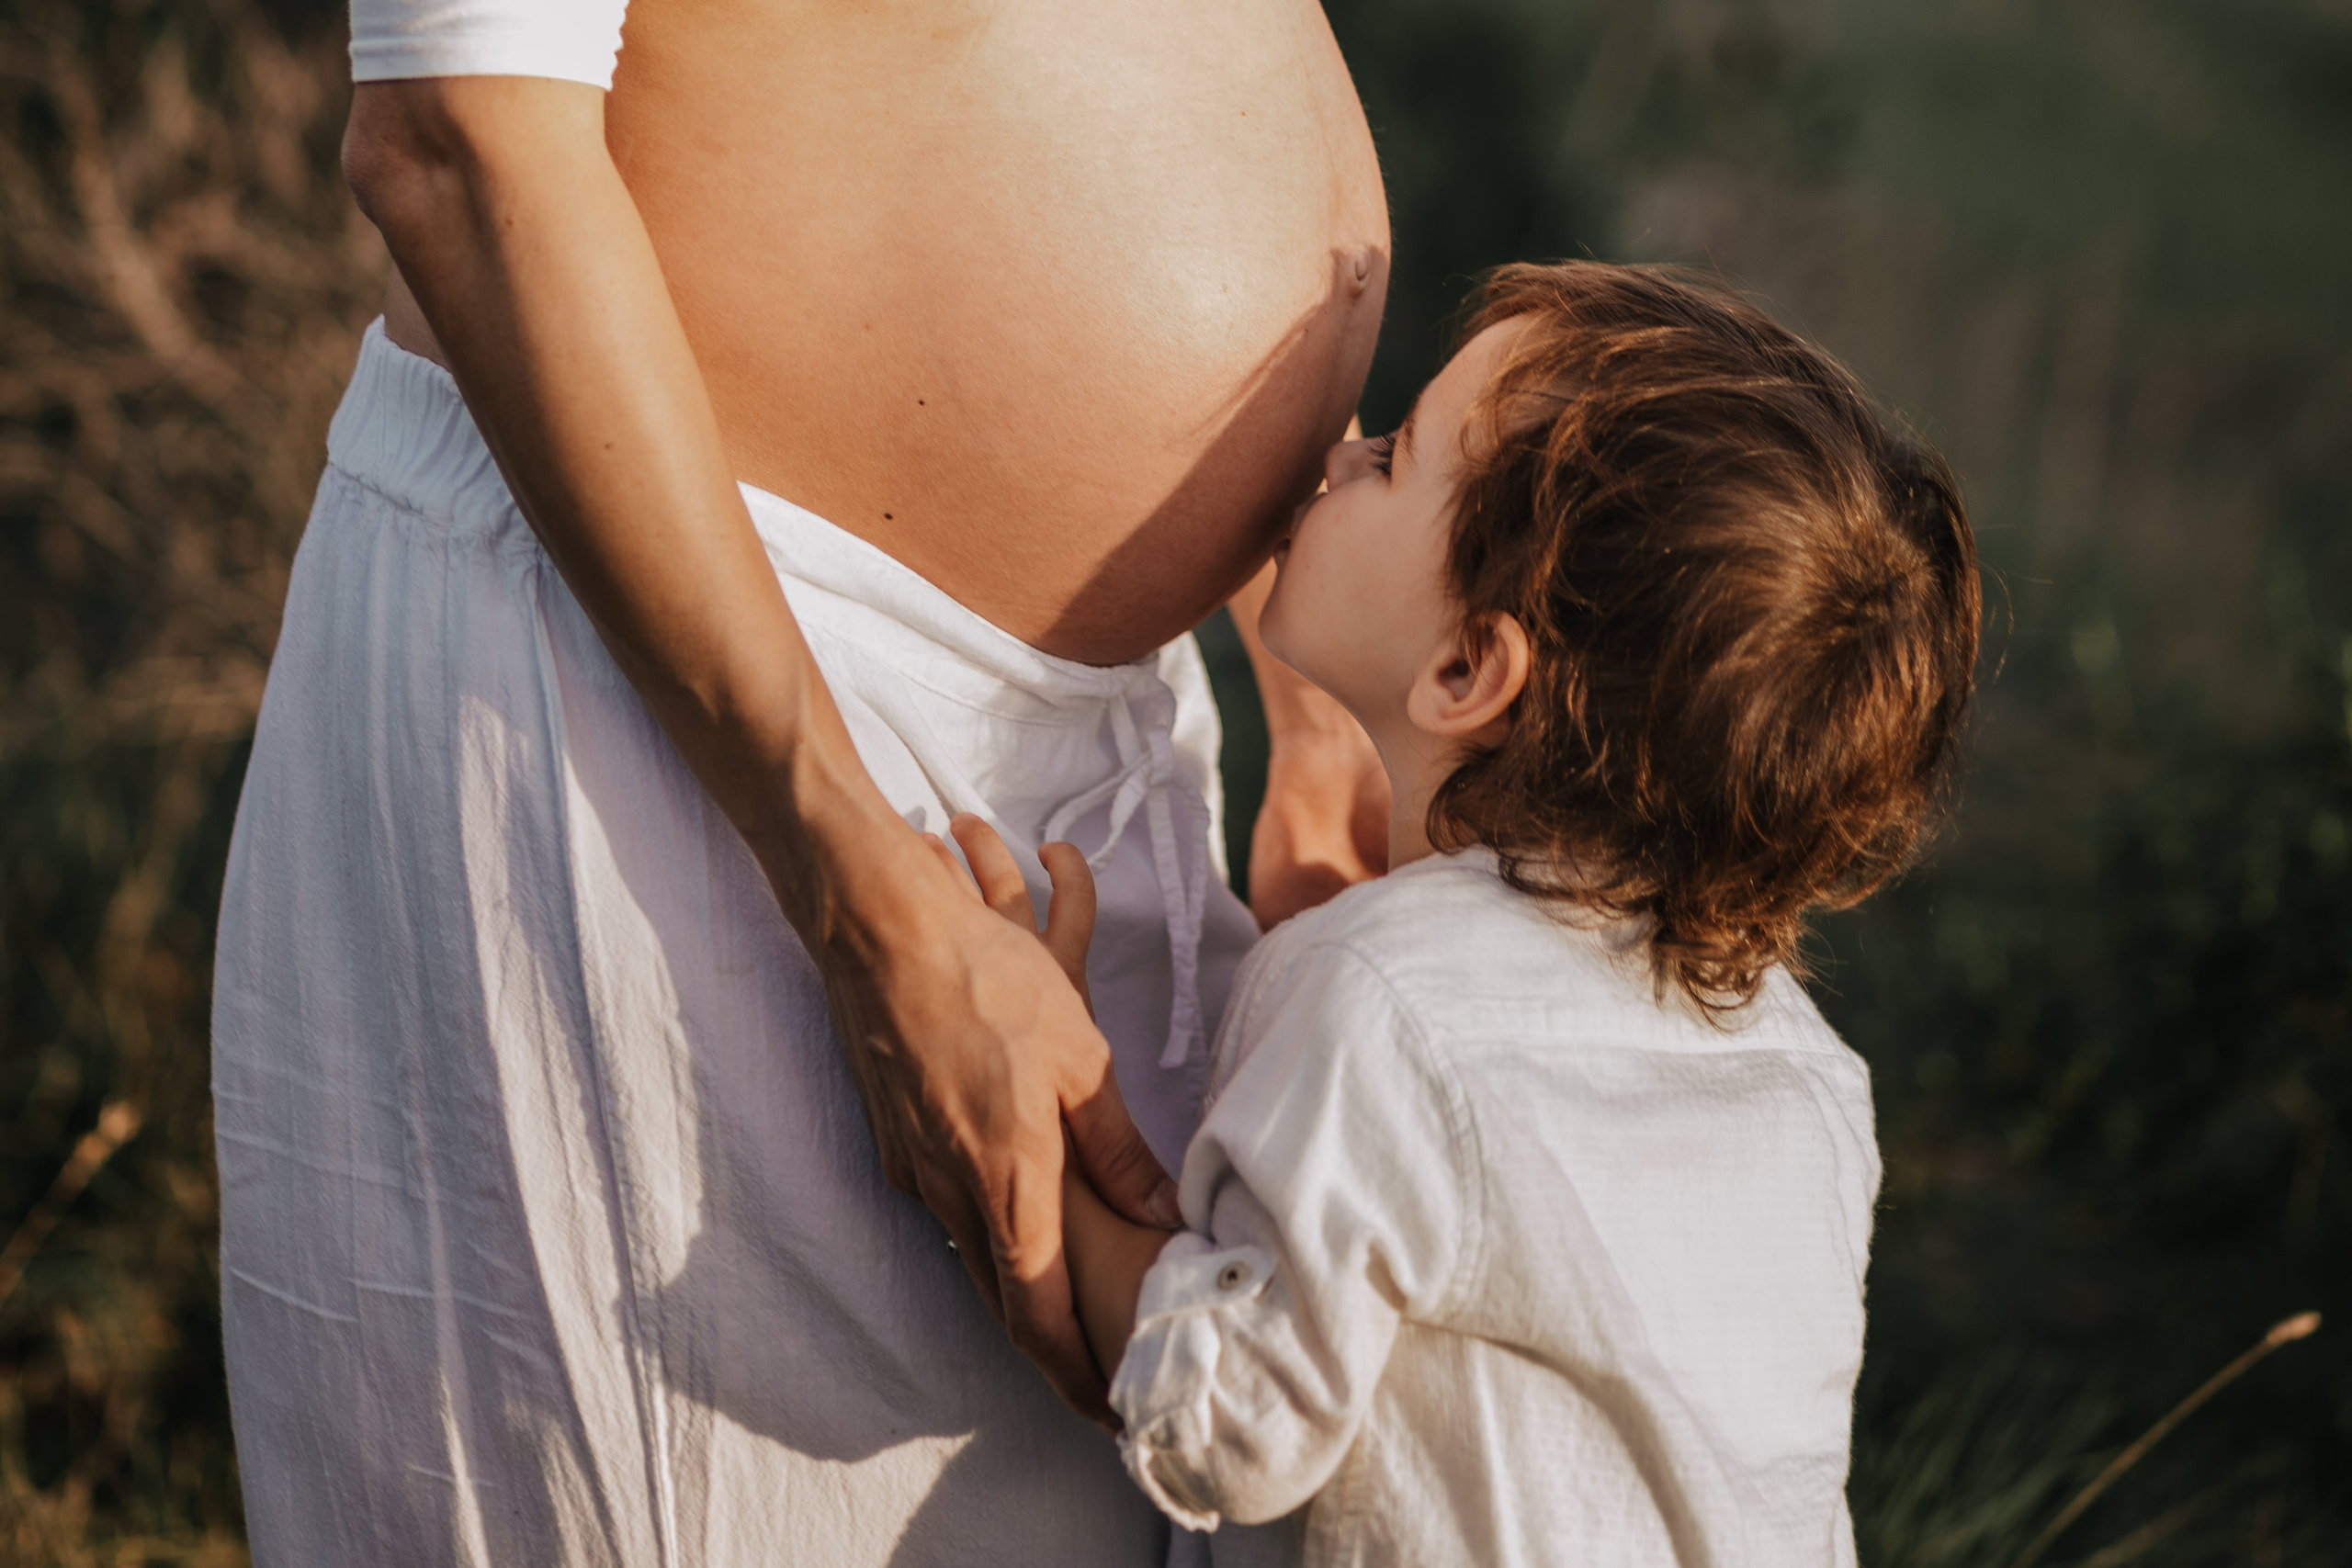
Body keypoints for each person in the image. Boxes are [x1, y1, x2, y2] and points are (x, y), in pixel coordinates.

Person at [210, 0, 1388, 1562]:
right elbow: (456, 138)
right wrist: (856, 890)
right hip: (691, 737)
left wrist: (1320, 698)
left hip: (1098, 758)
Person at [951, 263, 1981, 1564]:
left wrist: (1035, 1103)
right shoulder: (1806, 1074)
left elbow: (1231, 1419)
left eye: (1390, 456)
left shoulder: (1388, 998)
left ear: (1465, 667)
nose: (1336, 457)